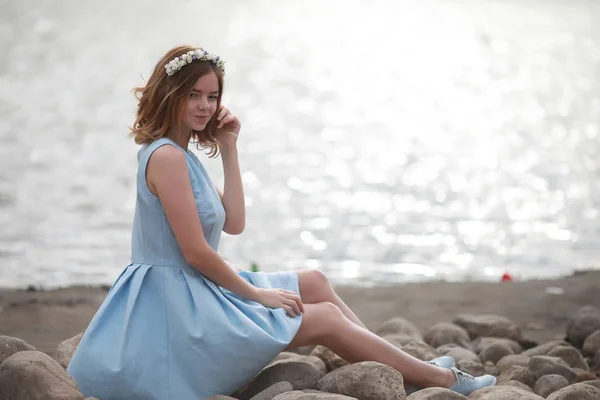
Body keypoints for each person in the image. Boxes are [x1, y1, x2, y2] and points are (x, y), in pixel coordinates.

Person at [66, 45, 497, 399]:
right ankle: (438, 380)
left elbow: (233, 223)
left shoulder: (184, 156)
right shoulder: (165, 157)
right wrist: (258, 294)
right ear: (171, 94)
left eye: (212, 96)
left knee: (314, 282)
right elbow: (196, 252)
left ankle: (399, 367)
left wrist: (229, 149)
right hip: (173, 308)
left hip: (190, 288)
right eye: (193, 94)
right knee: (324, 316)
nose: (204, 106)